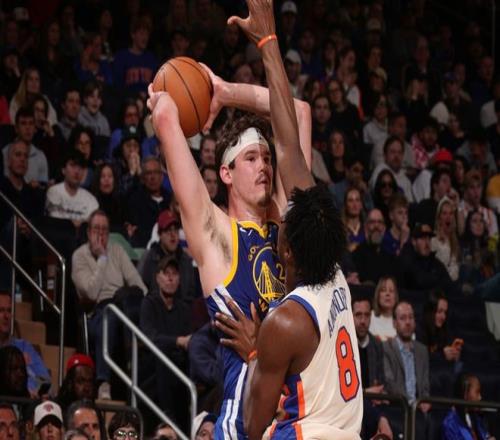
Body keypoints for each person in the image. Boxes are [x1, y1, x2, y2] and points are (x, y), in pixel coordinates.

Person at [147, 0, 313, 435]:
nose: (265, 166)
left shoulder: (289, 222)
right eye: (251, 158)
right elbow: (165, 114)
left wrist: (224, 92)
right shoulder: (215, 232)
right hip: (243, 423)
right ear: (226, 173)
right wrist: (166, 98)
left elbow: (298, 111)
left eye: (267, 157)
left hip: (294, 423)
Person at [215, 186, 362, 439]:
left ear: (288, 251)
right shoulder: (338, 279)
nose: (281, 214)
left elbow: (253, 425)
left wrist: (253, 353)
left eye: (284, 219)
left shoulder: (286, 321)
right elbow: (296, 166)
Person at [71, 210, 147, 399]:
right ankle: (103, 382)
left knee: (136, 312)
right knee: (110, 315)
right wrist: (102, 258)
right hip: (96, 312)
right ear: (88, 232)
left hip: (123, 306)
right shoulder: (79, 256)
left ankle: (138, 379)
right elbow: (91, 292)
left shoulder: (117, 250)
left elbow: (139, 286)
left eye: (105, 230)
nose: (101, 234)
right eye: (96, 229)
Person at [139, 257, 191, 427]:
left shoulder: (183, 308)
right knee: (163, 360)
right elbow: (149, 337)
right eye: (166, 273)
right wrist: (177, 341)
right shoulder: (149, 304)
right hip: (153, 366)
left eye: (174, 274)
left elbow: (189, 339)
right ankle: (168, 420)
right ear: (157, 277)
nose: (170, 278)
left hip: (178, 365)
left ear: (179, 279)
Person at [383, 301, 431, 439]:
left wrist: (425, 400)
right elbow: (389, 382)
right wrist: (411, 403)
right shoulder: (386, 348)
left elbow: (425, 383)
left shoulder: (422, 350)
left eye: (411, 317)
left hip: (418, 408)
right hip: (399, 406)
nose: (408, 322)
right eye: (403, 318)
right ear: (394, 323)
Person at [137, 210, 196, 302]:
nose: (173, 235)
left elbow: (190, 293)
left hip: (182, 307)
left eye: (175, 230)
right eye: (168, 230)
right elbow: (141, 289)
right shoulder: (149, 257)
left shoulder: (185, 259)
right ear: (160, 234)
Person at [0, 292, 51, 397]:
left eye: (9, 311)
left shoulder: (24, 347)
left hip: (26, 400)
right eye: (1, 310)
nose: (6, 316)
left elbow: (45, 379)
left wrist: (31, 390)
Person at [418, 291, 462, 396]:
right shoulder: (419, 328)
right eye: (439, 311)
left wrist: (455, 354)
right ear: (430, 311)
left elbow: (449, 348)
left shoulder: (444, 328)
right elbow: (420, 358)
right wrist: (442, 355)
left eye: (445, 312)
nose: (443, 317)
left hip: (443, 371)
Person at [126, 157, 171, 248]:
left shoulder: (170, 200)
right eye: (148, 173)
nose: (152, 177)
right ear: (143, 178)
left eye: (156, 172)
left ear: (162, 176)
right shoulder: (135, 200)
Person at [45, 150, 99, 225]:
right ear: (63, 170)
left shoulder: (91, 200)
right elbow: (54, 222)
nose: (77, 171)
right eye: (73, 165)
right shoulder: (54, 192)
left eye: (80, 167)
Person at [348, 209, 400, 285]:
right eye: (372, 222)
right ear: (365, 227)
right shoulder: (355, 256)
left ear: (384, 228)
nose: (376, 226)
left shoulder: (391, 258)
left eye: (380, 222)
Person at [2, 107, 49, 185]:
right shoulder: (5, 152)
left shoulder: (40, 156)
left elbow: (43, 186)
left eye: (31, 123)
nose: (28, 128)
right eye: (23, 123)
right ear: (16, 128)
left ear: (35, 129)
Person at [399, 223, 453, 291]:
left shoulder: (437, 264)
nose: (427, 243)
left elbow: (450, 286)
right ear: (413, 241)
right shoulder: (408, 262)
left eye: (429, 238)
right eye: (423, 238)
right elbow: (419, 282)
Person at [442, 374, 495, 440]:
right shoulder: (450, 424)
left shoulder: (476, 418)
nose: (480, 397)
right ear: (465, 394)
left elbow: (485, 435)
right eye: (477, 392)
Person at [369, 136, 414, 202]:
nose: (396, 156)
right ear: (385, 155)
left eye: (399, 152)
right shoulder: (380, 170)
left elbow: (409, 203)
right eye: (393, 152)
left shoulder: (406, 181)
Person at [432, 197, 460, 281]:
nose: (448, 217)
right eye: (444, 213)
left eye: (451, 213)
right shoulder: (434, 240)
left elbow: (455, 266)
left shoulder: (454, 239)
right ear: (439, 217)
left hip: (455, 281)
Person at [369, 277, 399, 341]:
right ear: (378, 295)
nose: (387, 294)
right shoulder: (369, 316)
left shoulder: (401, 319)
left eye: (391, 291)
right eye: (383, 290)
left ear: (395, 297)